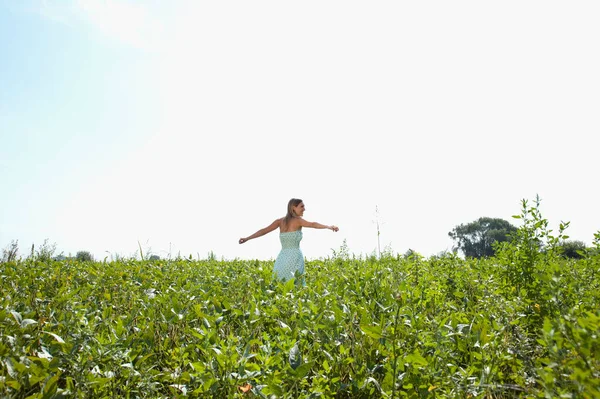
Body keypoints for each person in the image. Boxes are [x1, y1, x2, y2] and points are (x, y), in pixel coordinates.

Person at [239, 198, 339, 284]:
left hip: (282, 257)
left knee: (280, 283)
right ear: (293, 208)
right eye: (302, 206)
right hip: (295, 257)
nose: (304, 209)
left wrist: (247, 238)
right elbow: (313, 224)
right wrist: (329, 227)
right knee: (295, 284)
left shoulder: (280, 221)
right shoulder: (297, 220)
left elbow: (263, 231)